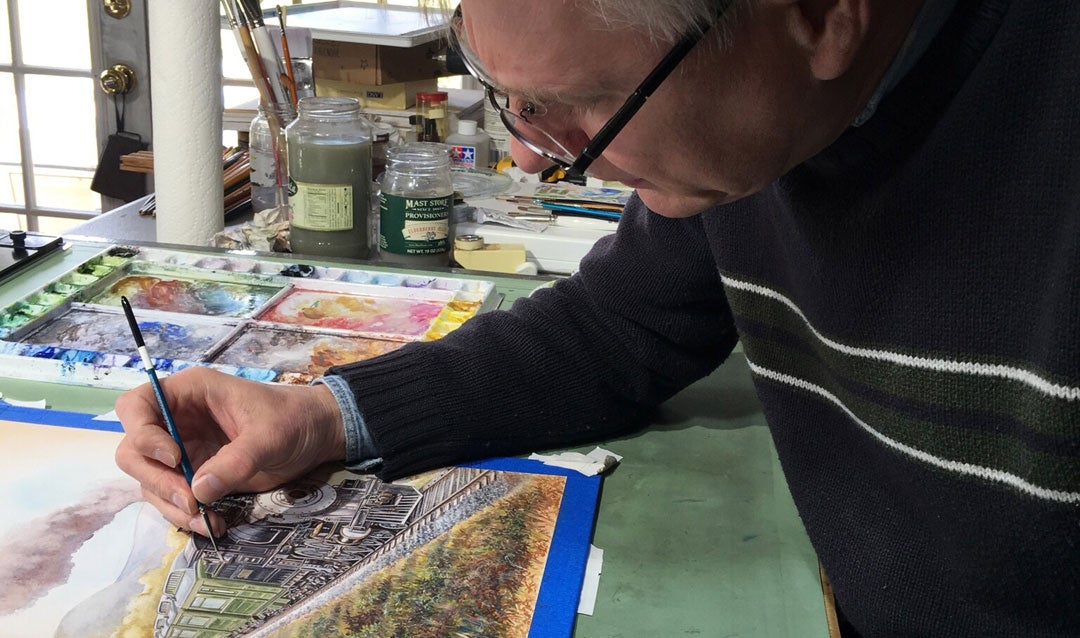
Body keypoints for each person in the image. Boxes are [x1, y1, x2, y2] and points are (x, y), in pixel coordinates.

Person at [116, 0, 1079, 635]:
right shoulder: (744, 137)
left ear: (821, 16)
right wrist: (326, 416)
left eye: (575, 105)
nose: (535, 158)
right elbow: (614, 328)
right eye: (509, 99)